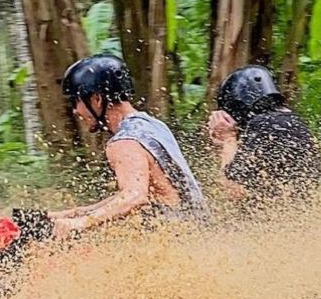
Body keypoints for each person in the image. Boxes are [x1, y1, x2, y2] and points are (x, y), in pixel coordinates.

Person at [50, 54, 205, 237]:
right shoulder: (153, 125)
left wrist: (79, 223)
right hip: (195, 227)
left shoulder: (124, 142)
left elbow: (134, 196)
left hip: (174, 234)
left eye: (76, 101)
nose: (76, 111)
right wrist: (78, 213)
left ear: (96, 99)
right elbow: (152, 192)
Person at [207, 65, 321, 203]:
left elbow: (234, 189)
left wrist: (228, 137)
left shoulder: (263, 124)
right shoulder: (294, 123)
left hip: (273, 213)